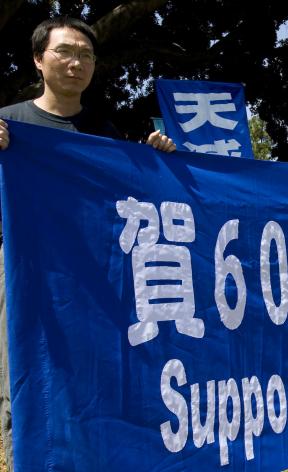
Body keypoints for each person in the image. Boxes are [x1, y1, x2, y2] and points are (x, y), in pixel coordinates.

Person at [0, 16, 177, 470]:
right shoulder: (9, 125)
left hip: (95, 275)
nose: (76, 63)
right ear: (39, 59)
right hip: (30, 270)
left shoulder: (104, 131)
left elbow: (128, 197)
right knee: (29, 368)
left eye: (86, 55)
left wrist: (157, 161)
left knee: (91, 367)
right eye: (65, 52)